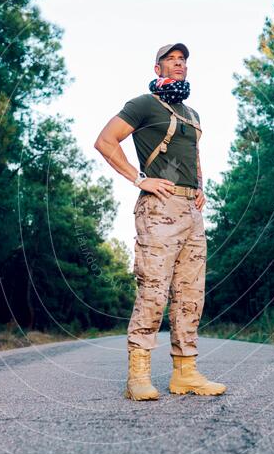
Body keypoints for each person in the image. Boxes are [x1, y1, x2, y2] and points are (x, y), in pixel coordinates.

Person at [94, 43, 227, 400]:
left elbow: (193, 156)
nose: (179, 63)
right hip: (159, 210)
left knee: (190, 295)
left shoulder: (192, 113)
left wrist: (200, 187)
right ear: (158, 68)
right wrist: (140, 180)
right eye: (172, 59)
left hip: (191, 212)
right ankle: (138, 376)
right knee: (153, 290)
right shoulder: (144, 104)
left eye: (183, 59)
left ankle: (186, 373)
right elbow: (105, 141)